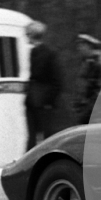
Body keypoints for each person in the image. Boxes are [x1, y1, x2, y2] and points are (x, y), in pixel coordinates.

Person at [25, 21, 63, 150]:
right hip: (32, 102)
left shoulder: (50, 54)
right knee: (31, 136)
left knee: (47, 137)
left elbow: (57, 81)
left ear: (32, 35)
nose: (26, 37)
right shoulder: (32, 53)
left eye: (28, 34)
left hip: (43, 104)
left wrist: (48, 101)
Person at [75, 33, 101, 125]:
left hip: (97, 105)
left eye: (81, 46)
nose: (79, 49)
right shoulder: (88, 61)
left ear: (88, 46)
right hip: (89, 104)